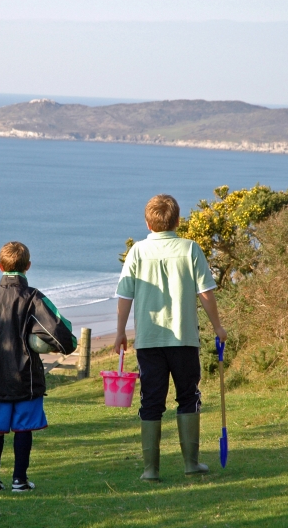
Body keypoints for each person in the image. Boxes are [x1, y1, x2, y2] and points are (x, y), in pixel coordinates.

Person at [114, 194, 227, 480]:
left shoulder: (137, 252)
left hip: (149, 340)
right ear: (177, 220)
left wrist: (119, 332)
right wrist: (218, 327)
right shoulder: (190, 249)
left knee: (151, 401)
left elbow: (125, 295)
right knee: (188, 396)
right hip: (184, 337)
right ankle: (191, 464)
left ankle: (150, 470)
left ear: (148, 223)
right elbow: (206, 294)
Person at [0, 241, 77, 494]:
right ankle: (19, 481)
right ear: (28, 266)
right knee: (23, 429)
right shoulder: (33, 298)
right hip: (27, 379)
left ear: (0, 266)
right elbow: (60, 331)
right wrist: (68, 346)